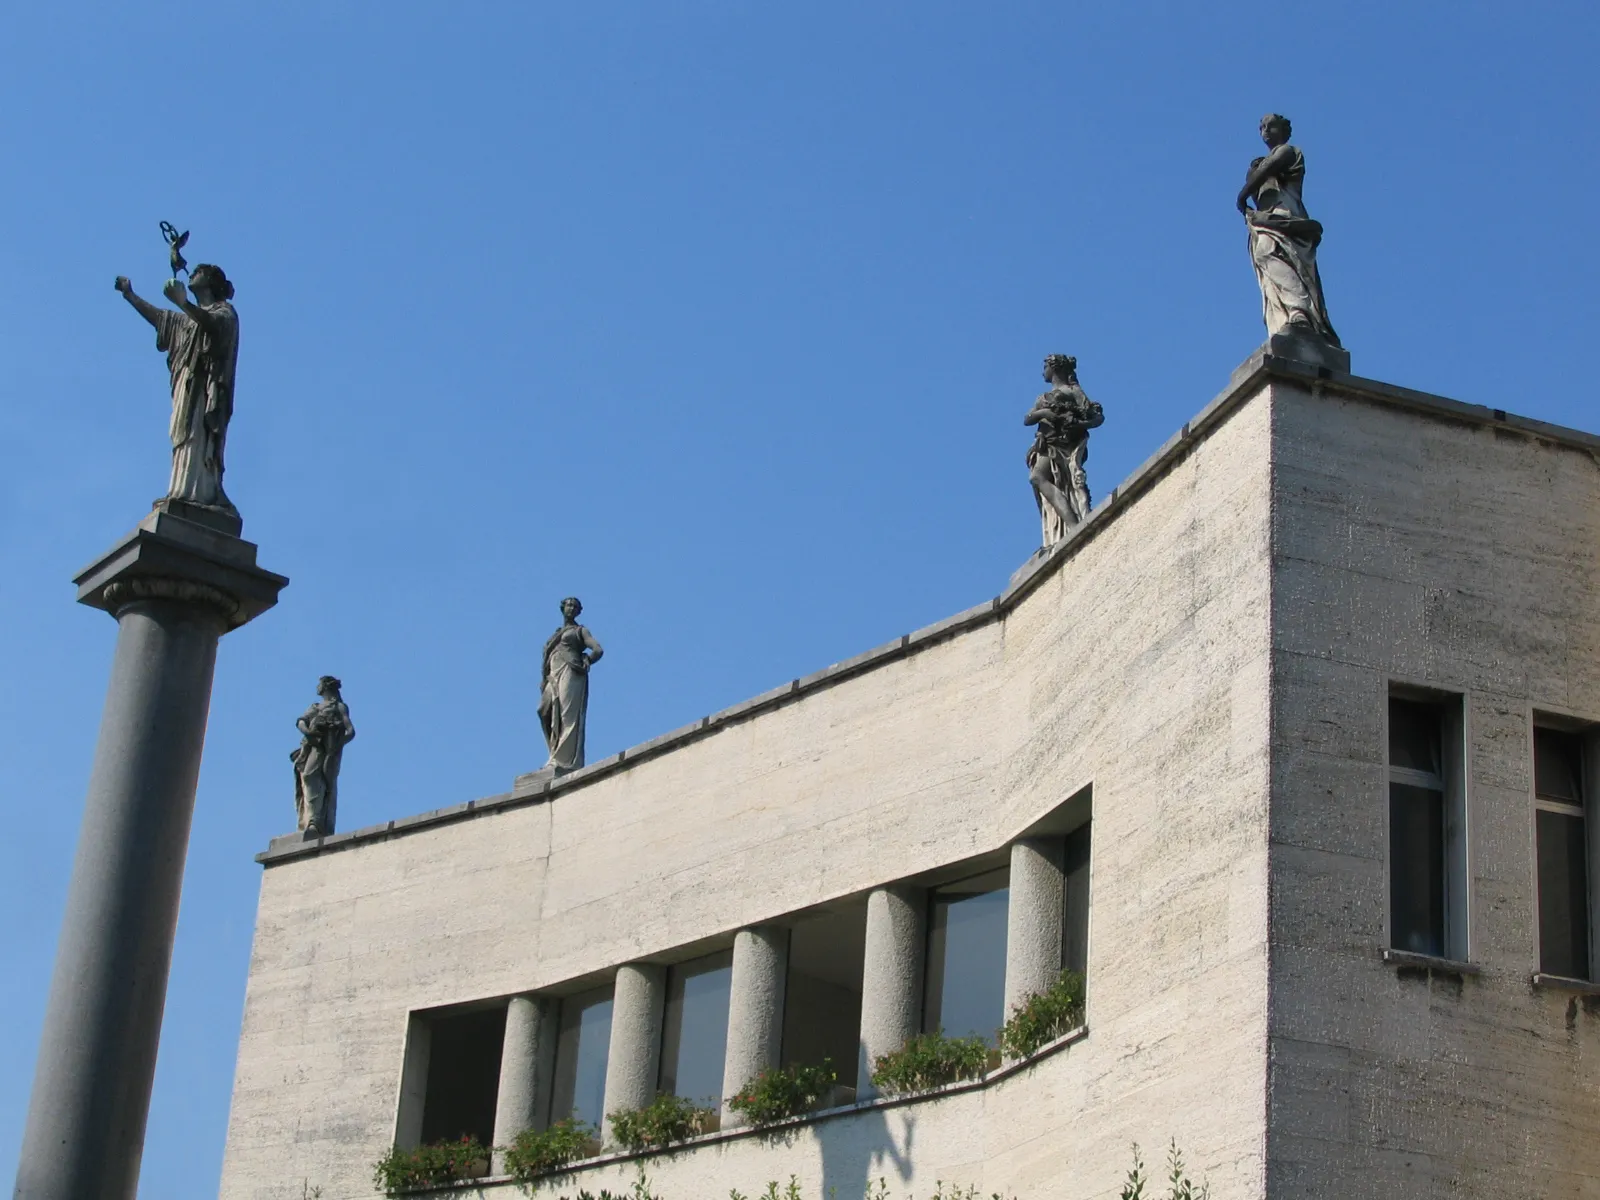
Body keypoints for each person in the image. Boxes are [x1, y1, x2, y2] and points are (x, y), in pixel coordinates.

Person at [114, 264, 241, 520]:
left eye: (198, 271)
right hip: (186, 386)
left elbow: (214, 326)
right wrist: (131, 296)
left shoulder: (225, 312)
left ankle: (200, 494)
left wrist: (183, 303)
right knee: (182, 435)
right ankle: (180, 491)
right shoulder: (188, 321)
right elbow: (161, 318)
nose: (192, 273)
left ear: (211, 282)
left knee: (196, 436)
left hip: (205, 391)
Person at [1236, 114, 1339, 347]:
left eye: (1270, 126)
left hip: (1285, 219)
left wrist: (1242, 194)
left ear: (1284, 130)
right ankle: (1286, 319)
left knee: (1276, 255)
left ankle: (1299, 312)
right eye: (1261, 127)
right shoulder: (1262, 163)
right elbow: (1259, 186)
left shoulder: (1288, 152)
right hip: (1266, 220)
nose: (1265, 130)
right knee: (1267, 259)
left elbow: (1265, 171)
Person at [1025, 355, 1104, 547]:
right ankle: (1071, 526)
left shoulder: (1073, 391)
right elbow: (1027, 419)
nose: (1043, 371)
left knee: (1038, 477)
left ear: (1055, 368)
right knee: (1039, 479)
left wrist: (1075, 423)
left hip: (1062, 445)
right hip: (1046, 444)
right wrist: (1044, 413)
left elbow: (1096, 418)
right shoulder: (1044, 396)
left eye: (1045, 366)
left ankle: (1073, 525)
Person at [539, 597, 604, 772]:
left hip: (571, 671)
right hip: (553, 675)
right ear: (563, 608)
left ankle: (563, 760)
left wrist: (586, 660)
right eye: (569, 605)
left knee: (568, 715)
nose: (572, 608)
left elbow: (598, 649)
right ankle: (554, 751)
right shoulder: (556, 634)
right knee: (544, 711)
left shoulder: (580, 631)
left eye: (575, 606)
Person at [291, 676, 356, 836]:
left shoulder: (339, 707)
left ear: (326, 686)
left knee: (316, 778)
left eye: (319, 684)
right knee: (307, 777)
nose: (317, 687)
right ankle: (310, 820)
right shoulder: (316, 706)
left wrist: (336, 745)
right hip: (311, 747)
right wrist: (308, 732)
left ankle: (316, 822)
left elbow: (350, 731)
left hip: (327, 751)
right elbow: (301, 721)